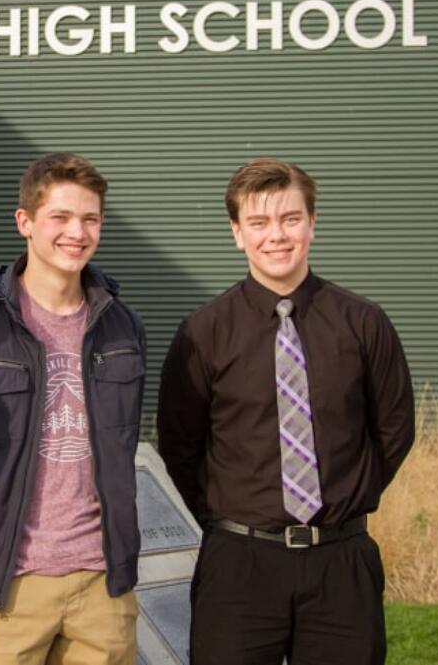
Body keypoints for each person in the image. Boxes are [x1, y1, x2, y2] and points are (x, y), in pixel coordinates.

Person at [158, 157, 414, 665]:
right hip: (240, 564)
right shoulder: (202, 334)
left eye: (290, 219)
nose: (276, 235)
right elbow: (180, 446)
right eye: (258, 222)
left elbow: (394, 432)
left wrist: (343, 499)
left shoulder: (364, 323)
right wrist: (231, 514)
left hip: (341, 562)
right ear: (237, 233)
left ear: (312, 224)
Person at [0, 153, 146, 665]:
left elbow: (123, 445)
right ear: (25, 222)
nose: (77, 232)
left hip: (102, 589)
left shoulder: (123, 326)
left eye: (90, 219)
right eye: (60, 217)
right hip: (8, 590)